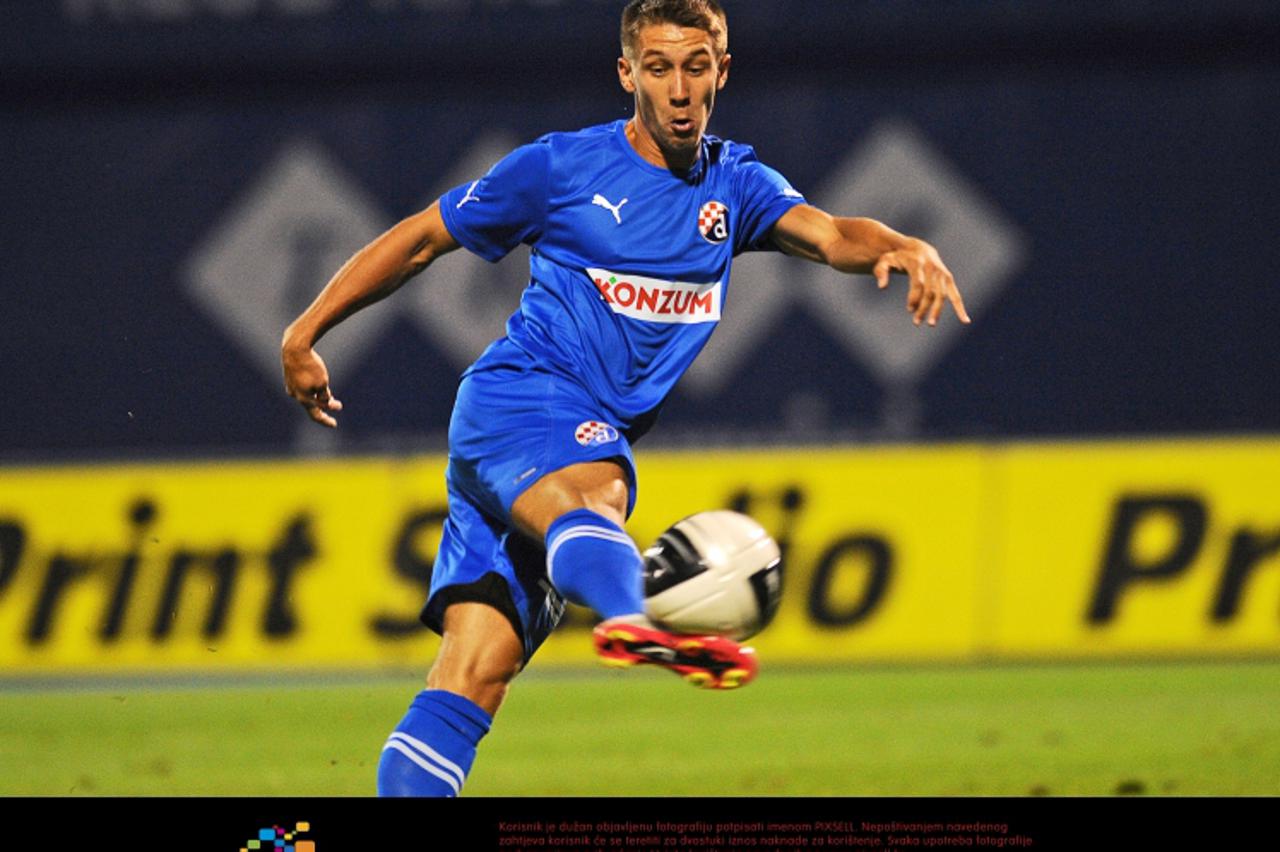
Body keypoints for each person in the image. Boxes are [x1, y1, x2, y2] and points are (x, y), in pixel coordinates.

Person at [281, 0, 968, 797]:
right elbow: (420, 238)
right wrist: (305, 333)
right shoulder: (559, 170)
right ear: (627, 74)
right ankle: (636, 614)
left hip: (534, 449)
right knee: (601, 489)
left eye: (696, 67)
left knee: (476, 673)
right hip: (521, 403)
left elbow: (829, 233)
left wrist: (903, 245)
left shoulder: (736, 185)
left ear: (722, 71)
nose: (679, 90)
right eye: (659, 67)